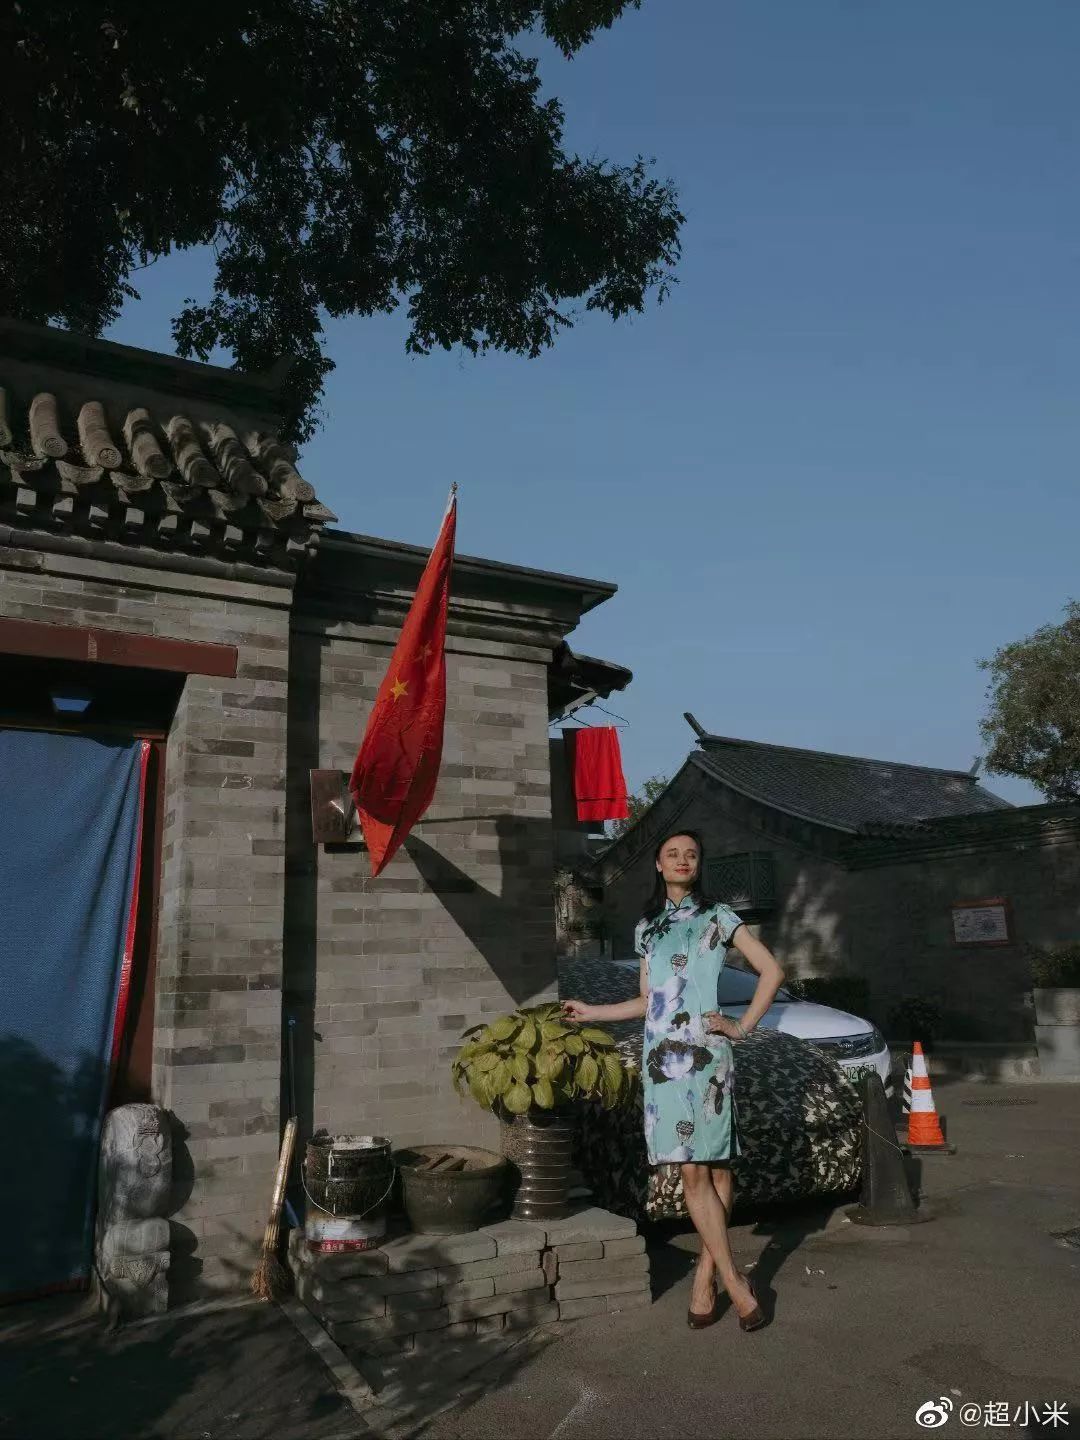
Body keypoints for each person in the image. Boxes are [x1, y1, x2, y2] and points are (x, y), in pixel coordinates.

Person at [562, 829, 786, 1331]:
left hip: (707, 1056)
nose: (682, 860)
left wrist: (742, 1027)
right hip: (663, 1061)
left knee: (715, 1168)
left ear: (698, 864)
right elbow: (649, 1001)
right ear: (659, 866)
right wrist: (592, 1011)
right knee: (693, 1171)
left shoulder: (719, 916)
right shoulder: (648, 927)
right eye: (672, 854)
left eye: (691, 854)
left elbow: (772, 971)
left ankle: (711, 1277)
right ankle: (732, 1279)